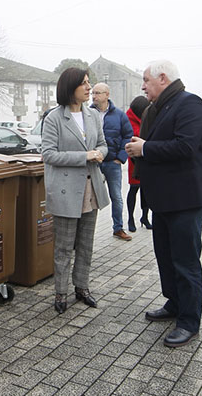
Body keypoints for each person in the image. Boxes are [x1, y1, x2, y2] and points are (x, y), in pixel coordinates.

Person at [125, 60, 202, 347]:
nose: (142, 86)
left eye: (146, 80)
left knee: (185, 262)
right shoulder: (162, 106)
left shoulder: (190, 104)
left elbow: (186, 146)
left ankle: (189, 321)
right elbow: (166, 142)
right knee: (166, 257)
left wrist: (145, 148)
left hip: (186, 200)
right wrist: (144, 145)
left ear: (162, 78)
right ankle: (174, 304)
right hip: (164, 200)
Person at [42, 67, 110, 314]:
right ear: (70, 88)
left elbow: (103, 145)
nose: (88, 87)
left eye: (89, 82)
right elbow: (48, 154)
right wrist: (85, 156)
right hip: (66, 191)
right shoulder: (54, 118)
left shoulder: (92, 115)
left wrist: (100, 153)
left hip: (91, 188)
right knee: (64, 246)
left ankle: (82, 287)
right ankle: (61, 293)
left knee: (86, 244)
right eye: (83, 83)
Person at [91, 83, 133, 241]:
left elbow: (127, 135)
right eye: (93, 93)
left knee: (116, 196)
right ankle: (85, 234)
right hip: (93, 162)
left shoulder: (120, 115)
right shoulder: (87, 113)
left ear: (107, 94)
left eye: (98, 93)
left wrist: (120, 158)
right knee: (88, 197)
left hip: (112, 163)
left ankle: (118, 228)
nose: (94, 96)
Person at [125, 95, 151, 232]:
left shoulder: (146, 117)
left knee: (146, 190)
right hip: (134, 158)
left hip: (146, 156)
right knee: (134, 188)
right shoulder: (128, 119)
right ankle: (130, 218)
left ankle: (145, 217)